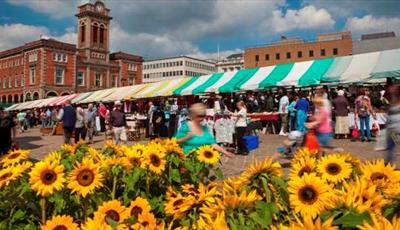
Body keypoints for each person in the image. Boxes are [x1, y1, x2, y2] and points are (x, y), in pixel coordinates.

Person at [384, 84, 400, 165]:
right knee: (392, 145)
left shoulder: (394, 101)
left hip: (394, 128)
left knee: (392, 146)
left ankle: (388, 164)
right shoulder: (394, 100)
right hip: (394, 128)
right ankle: (388, 163)